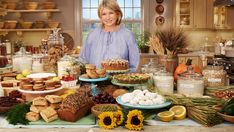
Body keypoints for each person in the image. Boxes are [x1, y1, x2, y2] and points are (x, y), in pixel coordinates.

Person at [79, 0, 140, 72]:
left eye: (111, 13)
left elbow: (134, 65)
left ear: (117, 14)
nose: (107, 17)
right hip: (95, 81)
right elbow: (83, 59)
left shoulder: (128, 35)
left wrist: (123, 79)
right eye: (104, 14)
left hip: (119, 81)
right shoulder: (92, 34)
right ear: (100, 16)